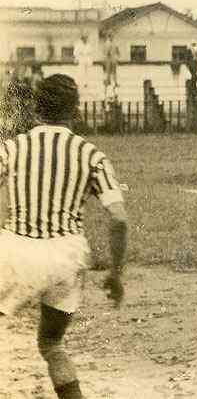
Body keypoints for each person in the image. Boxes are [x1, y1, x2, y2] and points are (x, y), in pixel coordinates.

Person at [0, 74, 128, 399]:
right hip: (66, 255)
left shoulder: (11, 148)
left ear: (33, 108)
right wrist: (115, 274)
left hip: (16, 250)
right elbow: (119, 218)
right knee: (52, 344)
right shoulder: (90, 154)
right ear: (76, 109)